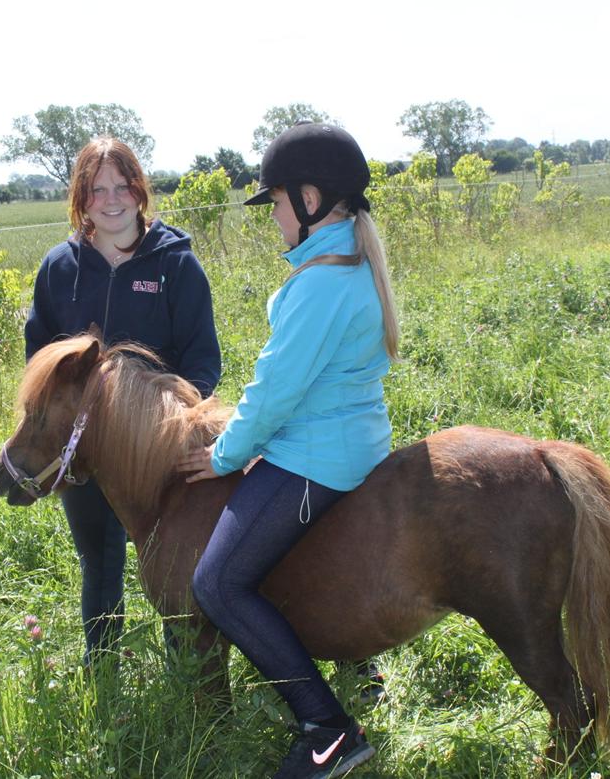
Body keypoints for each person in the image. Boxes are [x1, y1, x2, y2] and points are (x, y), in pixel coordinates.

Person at [178, 123, 399, 779]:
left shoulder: (320, 284)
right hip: (350, 439)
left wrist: (222, 456)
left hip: (316, 456)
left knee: (216, 582)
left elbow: (274, 394)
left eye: (275, 203)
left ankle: (326, 728)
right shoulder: (341, 263)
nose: (272, 217)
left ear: (309, 199)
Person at [25, 137, 221, 667]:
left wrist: (176, 427)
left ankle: (185, 671)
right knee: (101, 560)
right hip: (84, 452)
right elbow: (39, 358)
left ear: (139, 192)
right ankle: (104, 668)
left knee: (174, 557)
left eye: (122, 187)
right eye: (96, 190)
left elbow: (203, 359)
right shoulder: (59, 269)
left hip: (158, 450)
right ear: (81, 199)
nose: (111, 200)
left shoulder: (176, 266)